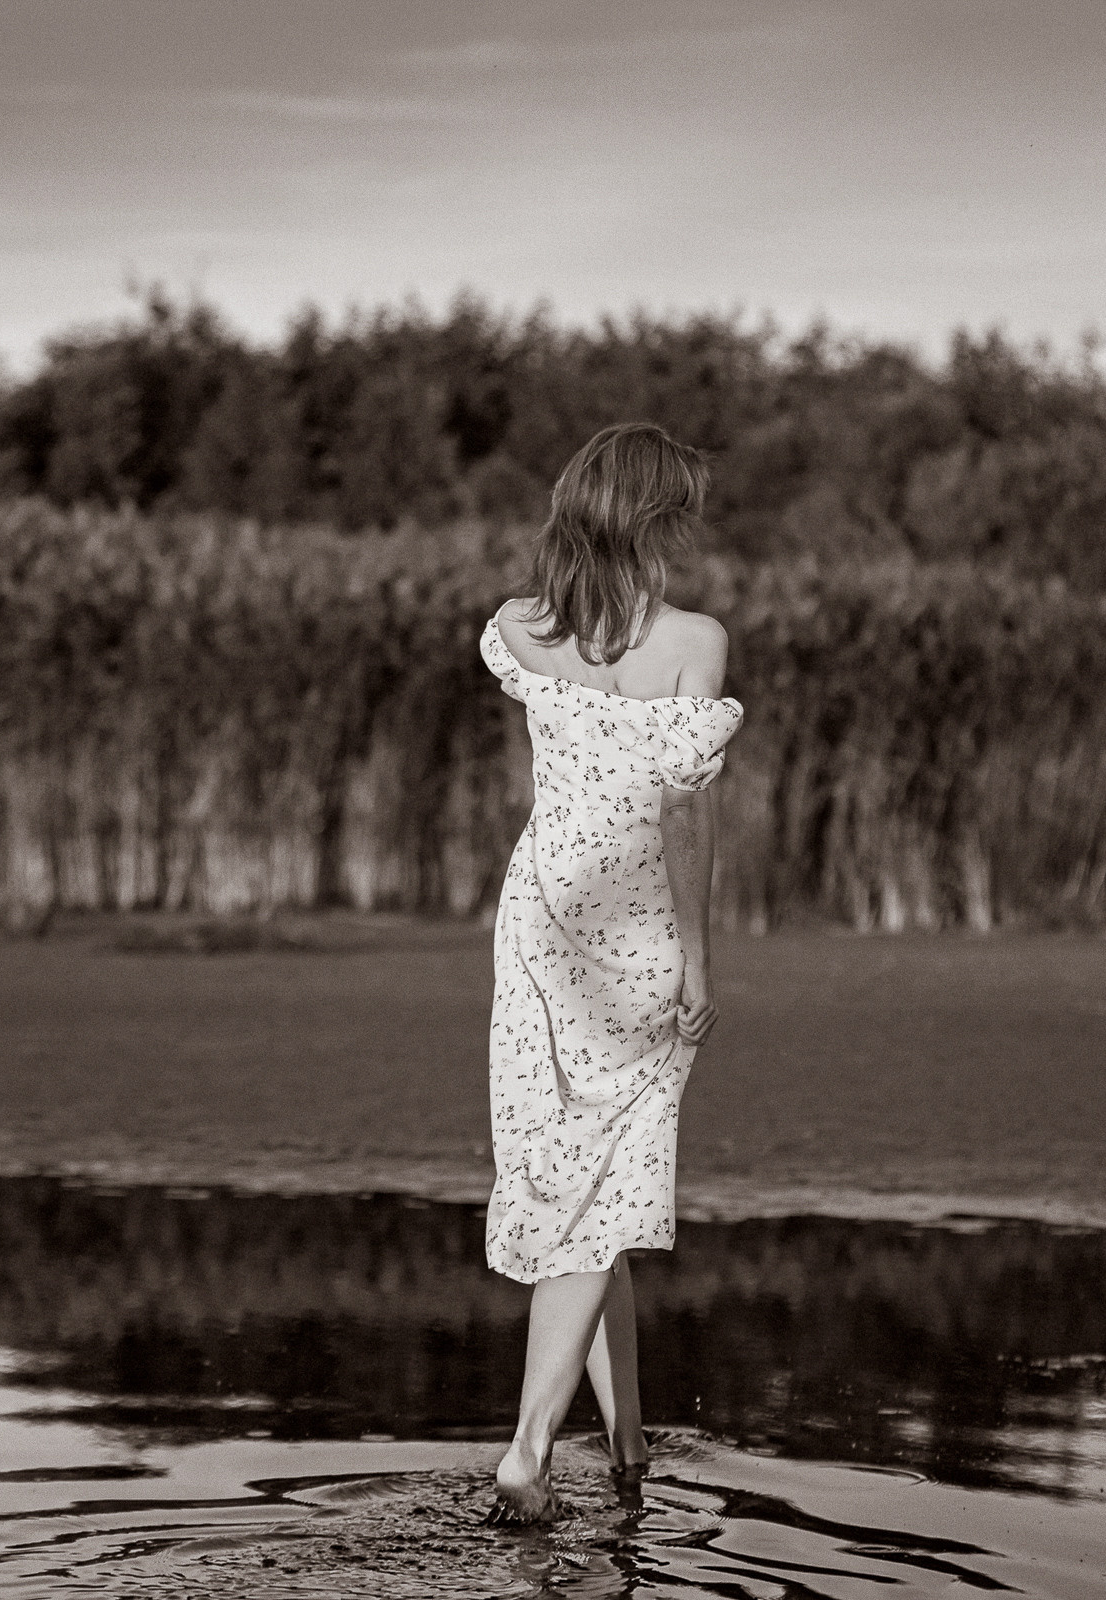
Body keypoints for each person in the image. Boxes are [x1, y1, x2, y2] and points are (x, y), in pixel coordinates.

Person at [477, 422, 744, 1524]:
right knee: (601, 1189)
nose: (690, 528)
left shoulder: (519, 628)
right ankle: (528, 1450)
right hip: (633, 932)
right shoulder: (693, 642)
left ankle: (628, 1439)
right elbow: (684, 816)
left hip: (541, 917)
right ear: (654, 519)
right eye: (680, 510)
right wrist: (698, 956)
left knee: (591, 1182)